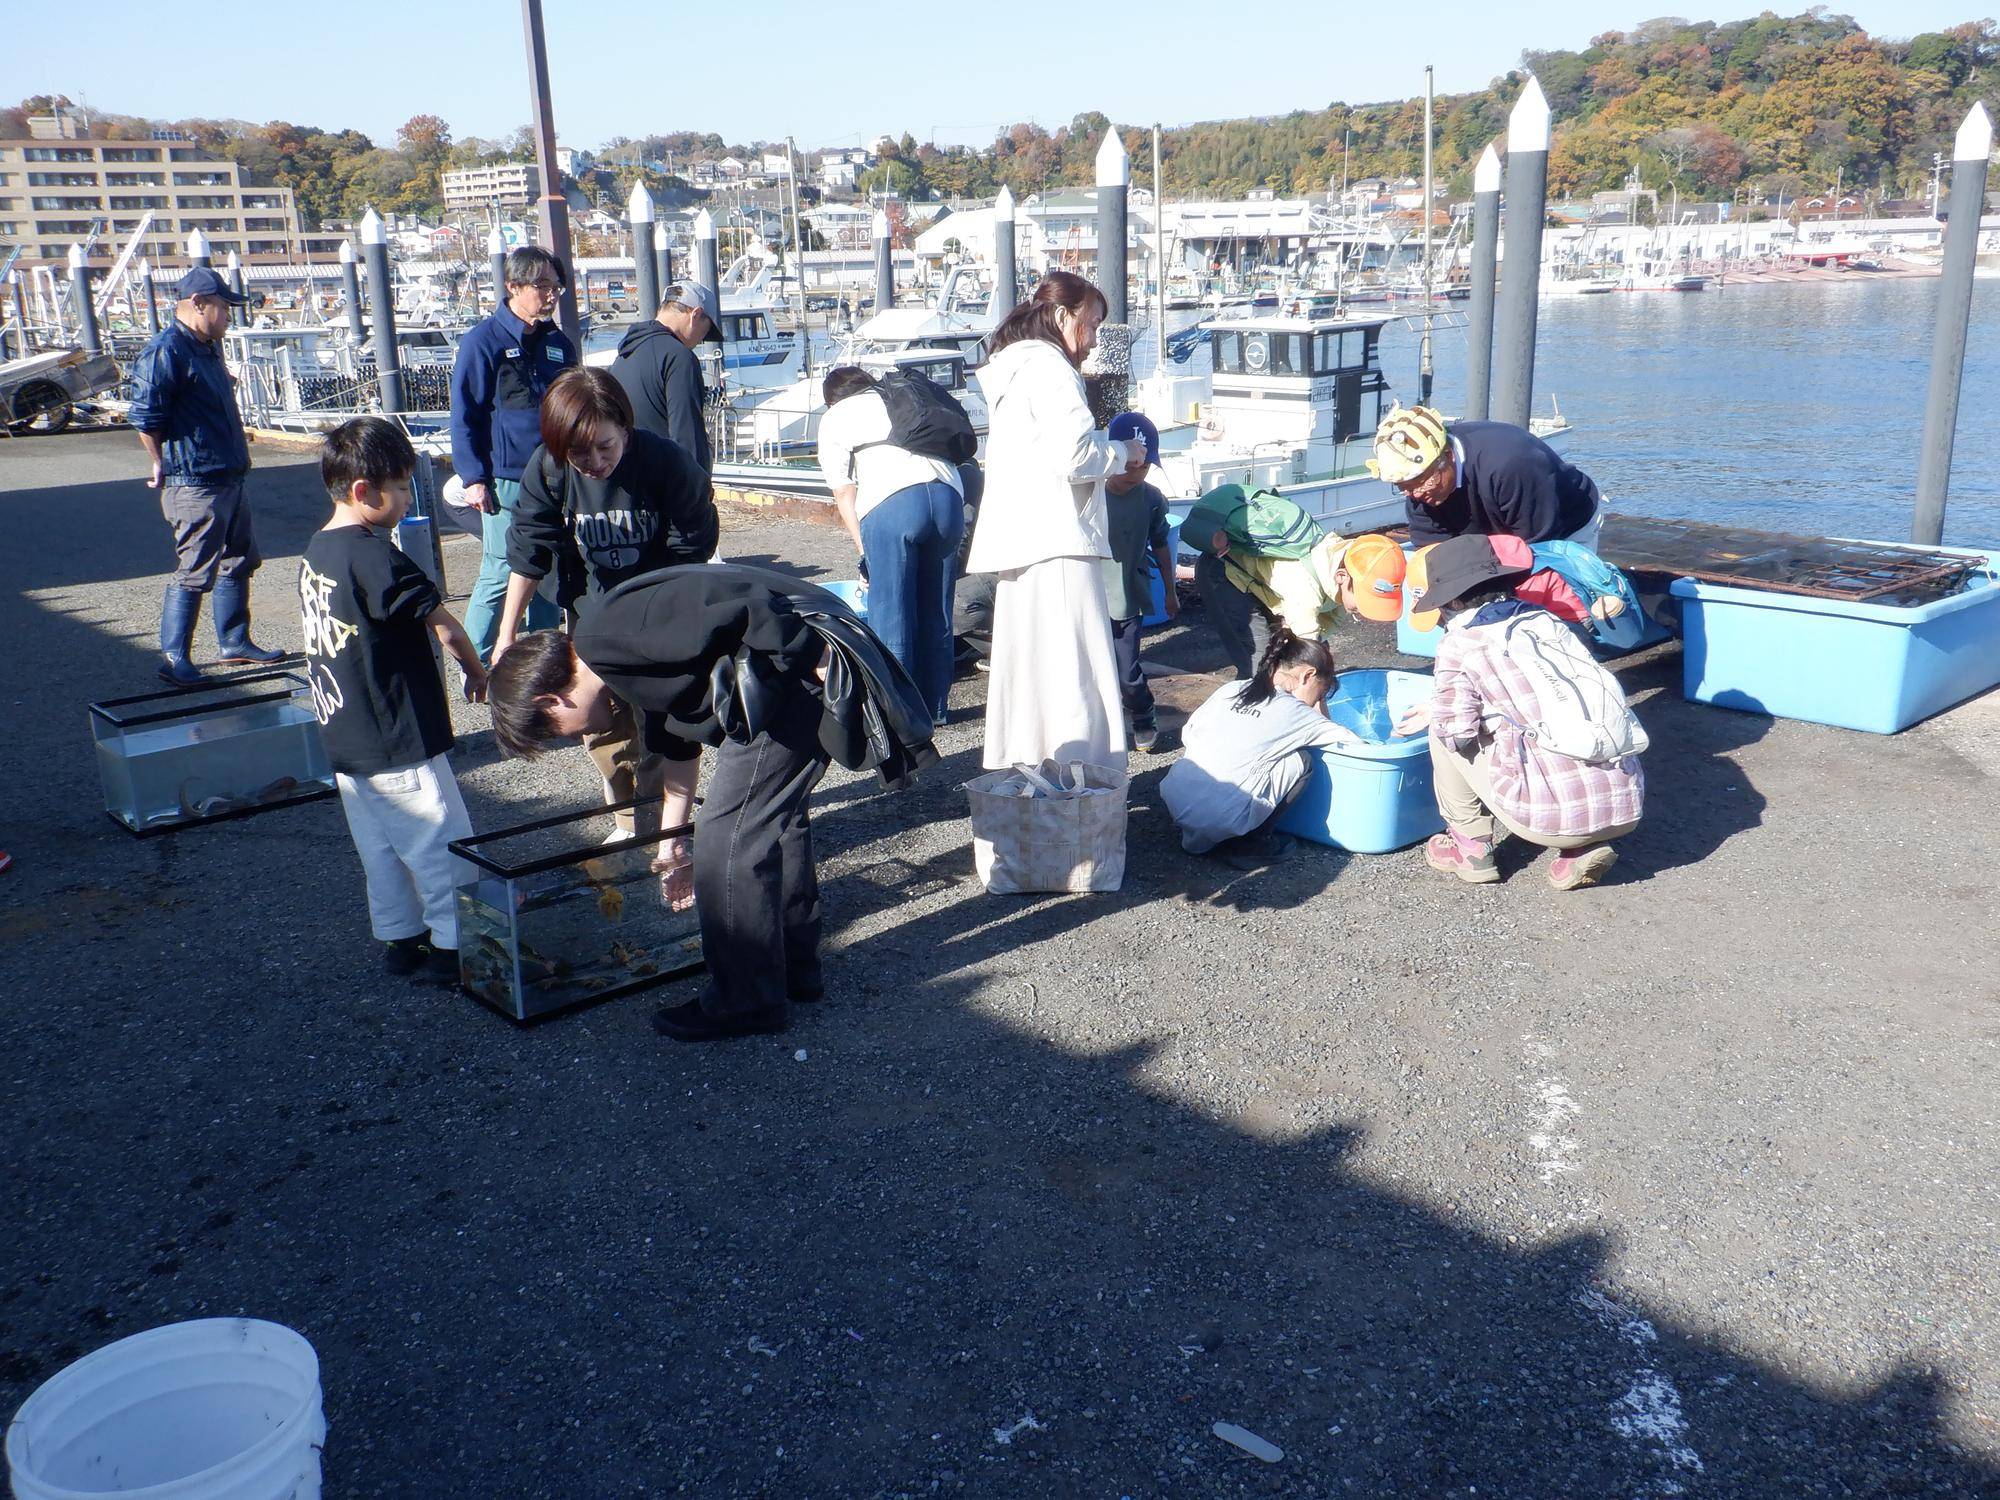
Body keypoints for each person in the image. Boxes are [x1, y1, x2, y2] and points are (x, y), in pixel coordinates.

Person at [487, 565, 934, 1042]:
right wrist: (672, 841)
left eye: (555, 732)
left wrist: (812, 652)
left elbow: (743, 605)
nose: (577, 737)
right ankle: (793, 967)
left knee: (728, 839)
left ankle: (745, 1001)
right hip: (786, 674)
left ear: (552, 701)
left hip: (794, 674)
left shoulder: (606, 635)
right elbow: (677, 742)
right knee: (777, 822)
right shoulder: (613, 660)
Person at [495, 368, 720, 839]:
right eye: (579, 452)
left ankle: (664, 824)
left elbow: (690, 552)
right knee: (604, 728)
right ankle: (624, 818)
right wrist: (505, 633)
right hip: (590, 617)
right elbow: (527, 551)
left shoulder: (666, 463)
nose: (595, 461)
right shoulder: (549, 468)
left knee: (663, 724)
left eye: (606, 446)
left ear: (625, 429)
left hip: (659, 618)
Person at [299, 417, 488, 978]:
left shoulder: (318, 551)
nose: (407, 499)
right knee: (438, 837)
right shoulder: (377, 556)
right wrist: (475, 670)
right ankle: (456, 945)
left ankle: (401, 938)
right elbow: (447, 627)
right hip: (396, 730)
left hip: (345, 733)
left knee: (379, 845)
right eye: (402, 487)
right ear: (364, 492)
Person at [963, 271, 1150, 771]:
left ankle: (1030, 765)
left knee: (1030, 670)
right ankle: (1083, 775)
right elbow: (1075, 454)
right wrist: (1123, 450)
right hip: (1059, 540)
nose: (1090, 341)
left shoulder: (1015, 369)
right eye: (1090, 324)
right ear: (1064, 316)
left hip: (1022, 540)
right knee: (1073, 668)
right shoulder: (1049, 367)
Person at [1394, 534, 1645, 891]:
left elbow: (1457, 732)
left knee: (1441, 730)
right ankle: (1581, 848)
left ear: (1453, 599)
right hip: (1626, 803)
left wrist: (1441, 711)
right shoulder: (1549, 622)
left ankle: (1471, 847)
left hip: (1545, 819)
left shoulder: (1461, 642)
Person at [128, 265, 286, 685]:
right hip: (195, 480)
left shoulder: (205, 346)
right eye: (223, 307)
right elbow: (146, 417)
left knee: (240, 560)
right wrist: (159, 460)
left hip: (228, 475)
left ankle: (234, 642)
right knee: (195, 570)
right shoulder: (166, 350)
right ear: (198, 305)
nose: (228, 316)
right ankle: (174, 657)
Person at [816, 365, 966, 725]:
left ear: (831, 399)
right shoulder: (898, 398)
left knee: (892, 612)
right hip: (948, 499)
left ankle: (896, 715)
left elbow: (844, 492)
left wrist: (864, 549)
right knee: (937, 611)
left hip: (894, 501)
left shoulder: (837, 415)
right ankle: (936, 709)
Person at [449, 245, 574, 661]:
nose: (551, 294)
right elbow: (464, 414)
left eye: (556, 286)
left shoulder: (557, 343)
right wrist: (474, 478)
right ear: (513, 286)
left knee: (545, 570)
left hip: (554, 474)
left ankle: (539, 657)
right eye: (542, 286)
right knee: (502, 569)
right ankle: (477, 659)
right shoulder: (483, 341)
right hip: (505, 477)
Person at [1160, 630, 1353, 864]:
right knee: (1301, 761)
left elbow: (1189, 733)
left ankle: (1200, 833)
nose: (1315, 701)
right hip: (1219, 816)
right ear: (1307, 675)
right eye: (1320, 692)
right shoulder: (1295, 711)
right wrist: (1317, 705)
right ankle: (1250, 844)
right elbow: (1354, 744)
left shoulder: (1232, 689)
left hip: (1176, 799)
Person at [1182, 484, 1407, 675]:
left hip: (1266, 582)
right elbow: (1306, 653)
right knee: (1262, 664)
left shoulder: (1342, 561)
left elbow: (1328, 623)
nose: (1364, 612)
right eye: (1364, 601)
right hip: (1223, 575)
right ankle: (1252, 713)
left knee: (1311, 654)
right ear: (1342, 578)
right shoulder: (1304, 589)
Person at [1368, 405, 1604, 549]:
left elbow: (1541, 546)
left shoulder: (1512, 463)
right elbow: (1431, 549)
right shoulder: (1420, 486)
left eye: (1421, 482)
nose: (1416, 495)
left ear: (1447, 455)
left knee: (1557, 608)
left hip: (1563, 526)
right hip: (1489, 528)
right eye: (1403, 487)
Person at [1100, 412, 1177, 752]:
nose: (1135, 472)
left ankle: (1143, 714)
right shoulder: (1089, 492)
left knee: (1127, 674)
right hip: (1086, 594)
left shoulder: (1151, 498)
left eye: (1143, 466)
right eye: (1128, 464)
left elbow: (1161, 543)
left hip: (1127, 595)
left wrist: (1171, 591)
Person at [609, 281, 720, 473]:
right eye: (706, 331)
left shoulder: (623, 356)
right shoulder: (679, 357)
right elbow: (687, 436)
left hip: (628, 480)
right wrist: (698, 491)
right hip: (666, 486)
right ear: (696, 314)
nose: (701, 340)